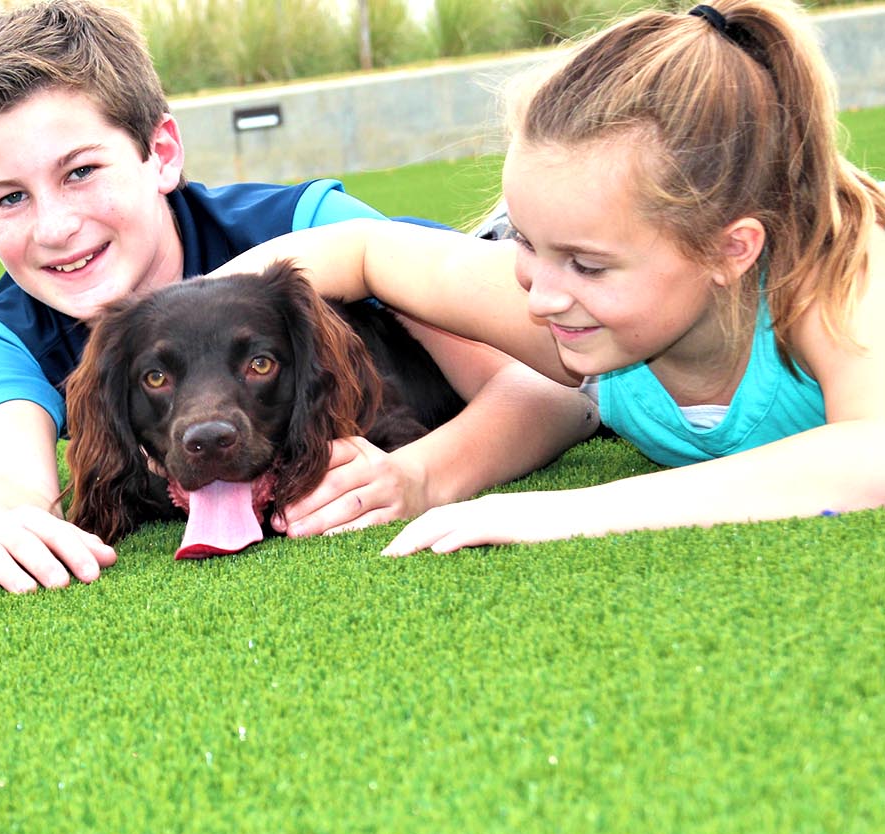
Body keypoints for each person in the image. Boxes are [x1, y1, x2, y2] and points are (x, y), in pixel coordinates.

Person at [0, 0, 597, 598]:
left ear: (161, 153)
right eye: (10, 198)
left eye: (80, 171)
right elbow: (12, 478)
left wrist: (423, 475)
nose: (54, 228)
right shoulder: (3, 338)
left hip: (511, 268)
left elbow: (558, 396)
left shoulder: (310, 225)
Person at [218, 0, 885, 555]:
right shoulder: (568, 306)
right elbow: (362, 249)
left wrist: (567, 512)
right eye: (526, 242)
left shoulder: (838, 274)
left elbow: (869, 455)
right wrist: (141, 344)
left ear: (729, 252)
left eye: (588, 264)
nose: (541, 294)